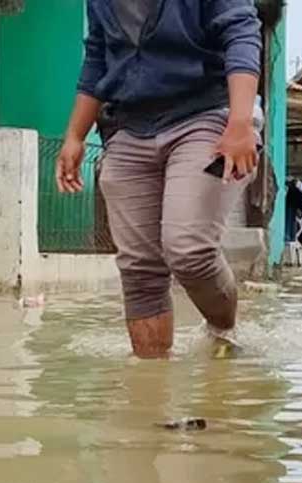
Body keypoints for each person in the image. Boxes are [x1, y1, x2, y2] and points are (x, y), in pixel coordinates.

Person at [56, 0, 282, 359]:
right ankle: (150, 388)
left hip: (208, 112)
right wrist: (74, 136)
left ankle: (223, 333)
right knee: (139, 267)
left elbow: (241, 32)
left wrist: (240, 123)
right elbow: (98, 56)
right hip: (130, 124)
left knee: (188, 248)